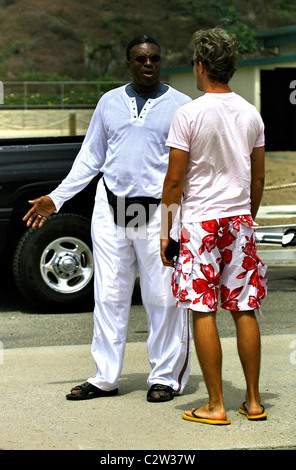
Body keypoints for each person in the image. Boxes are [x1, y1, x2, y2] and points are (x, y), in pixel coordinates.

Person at [23, 35, 192, 402]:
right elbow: (90, 157)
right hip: (111, 208)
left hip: (158, 213)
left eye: (155, 59)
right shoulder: (109, 102)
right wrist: (57, 197)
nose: (149, 64)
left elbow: (191, 168)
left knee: (162, 297)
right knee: (110, 296)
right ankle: (104, 377)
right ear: (128, 63)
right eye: (141, 59)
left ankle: (165, 376)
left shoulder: (182, 106)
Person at [160, 27, 267, 424]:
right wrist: (246, 216)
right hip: (239, 219)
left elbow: (173, 182)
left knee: (203, 309)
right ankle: (253, 401)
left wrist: (166, 233)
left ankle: (216, 403)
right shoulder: (251, 113)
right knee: (244, 308)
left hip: (200, 224)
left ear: (201, 66)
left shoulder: (188, 114)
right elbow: (257, 178)